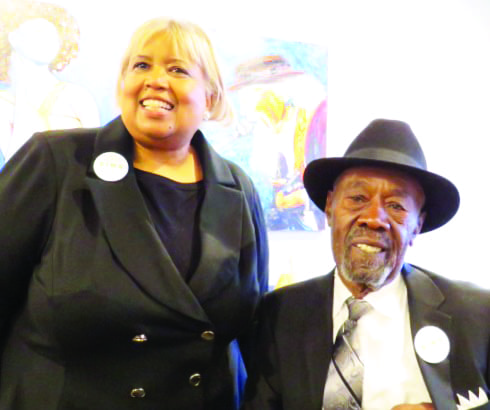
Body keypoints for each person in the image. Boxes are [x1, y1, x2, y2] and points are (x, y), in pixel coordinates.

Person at [0, 17, 268, 410]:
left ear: (210, 98)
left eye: (177, 70)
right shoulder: (55, 162)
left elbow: (253, 330)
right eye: (141, 65)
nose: (155, 80)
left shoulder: (239, 189)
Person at [243, 119, 490, 410]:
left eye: (396, 206)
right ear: (330, 207)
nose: (373, 219)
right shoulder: (279, 314)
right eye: (358, 198)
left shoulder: (475, 314)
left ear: (417, 225)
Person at [0, 1, 100, 165]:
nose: (47, 40)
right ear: (13, 38)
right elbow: (14, 165)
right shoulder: (3, 104)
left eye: (54, 36)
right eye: (38, 32)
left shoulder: (76, 97)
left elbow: (95, 159)